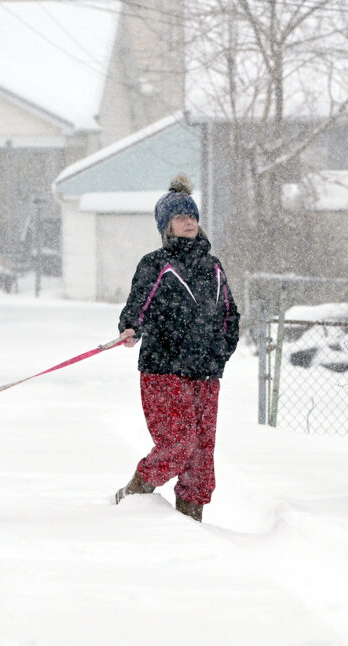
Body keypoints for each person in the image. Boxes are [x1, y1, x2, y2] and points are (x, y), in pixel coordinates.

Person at [114, 174, 239, 521]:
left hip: (206, 373)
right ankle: (130, 498)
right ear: (167, 225)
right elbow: (137, 305)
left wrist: (221, 351)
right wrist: (130, 327)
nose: (189, 222)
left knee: (201, 457)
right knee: (178, 444)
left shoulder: (213, 266)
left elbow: (230, 314)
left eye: (192, 216)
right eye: (181, 217)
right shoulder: (156, 263)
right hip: (164, 369)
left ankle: (189, 527)